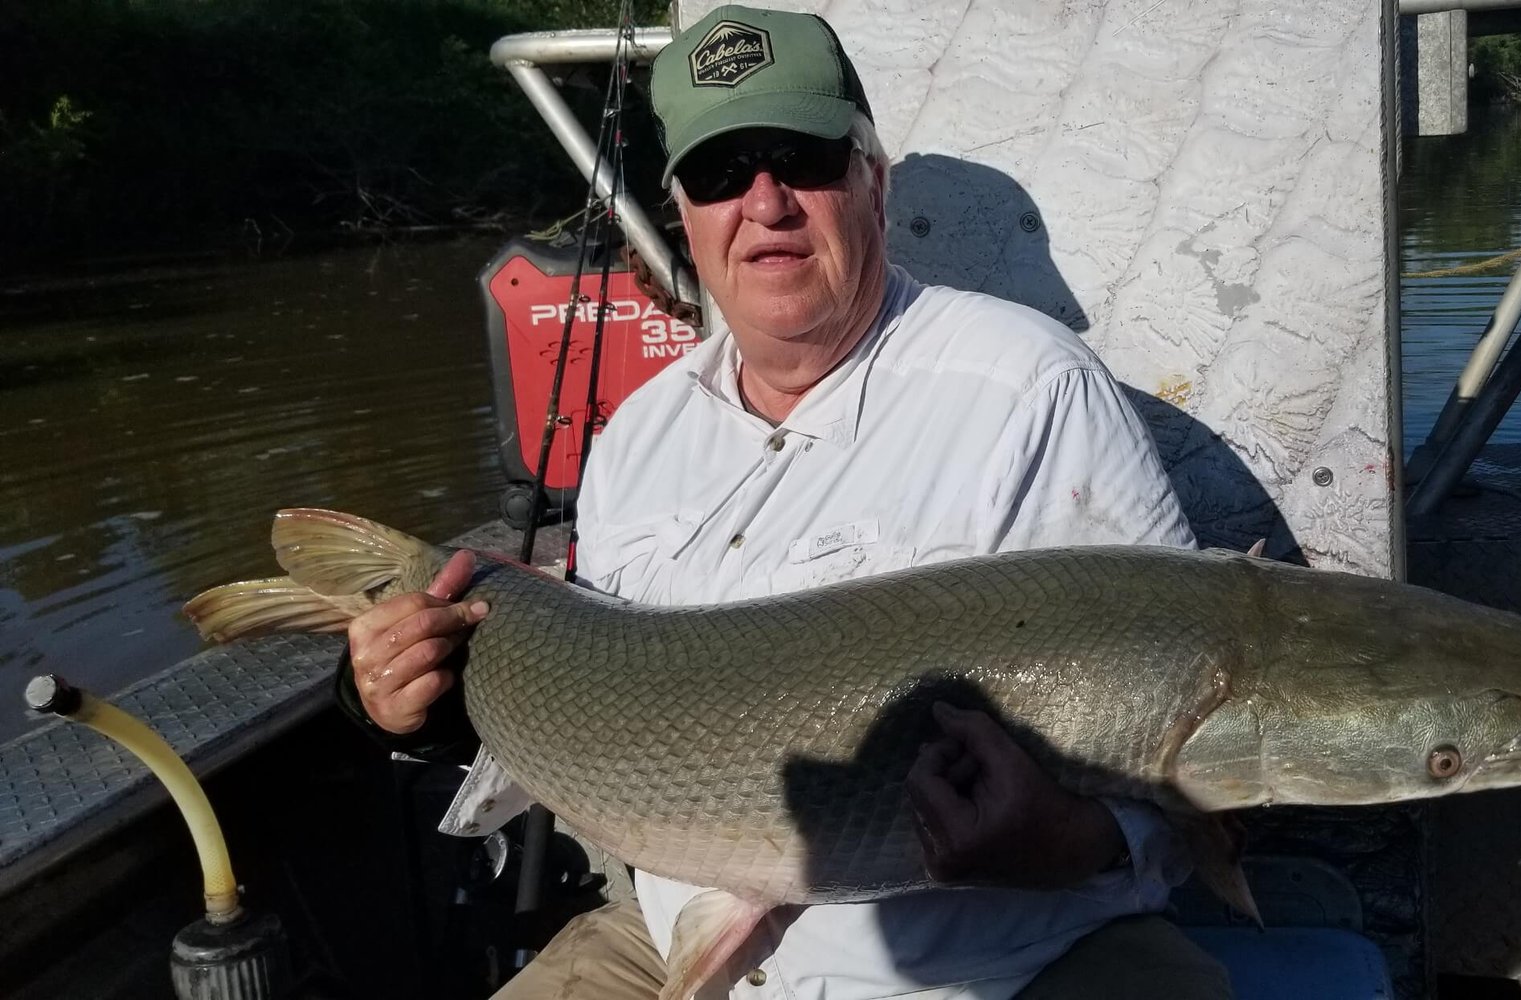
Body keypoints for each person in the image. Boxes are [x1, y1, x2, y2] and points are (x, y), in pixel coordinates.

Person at [334, 5, 1234, 998]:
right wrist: (412, 702)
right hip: (667, 938)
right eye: (721, 173)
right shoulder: (636, 436)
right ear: (683, 211)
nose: (765, 202)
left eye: (800, 156)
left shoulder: (1033, 389)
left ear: (870, 181)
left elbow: (1188, 774)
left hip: (985, 963)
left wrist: (1069, 841)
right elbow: (598, 710)